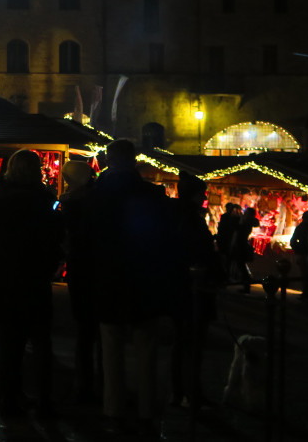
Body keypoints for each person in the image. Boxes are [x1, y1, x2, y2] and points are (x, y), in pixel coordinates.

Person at [85, 139, 183, 435]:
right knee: (146, 349)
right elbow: (165, 238)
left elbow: (87, 239)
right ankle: (146, 410)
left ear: (109, 161)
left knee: (111, 346)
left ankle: (113, 410)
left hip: (108, 278)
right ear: (134, 160)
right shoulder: (151, 194)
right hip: (143, 278)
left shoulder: (96, 195)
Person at [0, 149, 62, 417]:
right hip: (34, 277)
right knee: (40, 341)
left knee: (7, 340)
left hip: (4, 277)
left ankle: (6, 393)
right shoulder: (45, 200)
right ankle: (43, 396)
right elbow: (56, 236)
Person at [169, 171, 222, 411]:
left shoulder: (180, 216)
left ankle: (182, 389)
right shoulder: (190, 220)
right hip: (192, 289)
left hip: (182, 288)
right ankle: (188, 391)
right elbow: (201, 253)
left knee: (183, 342)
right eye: (202, 192)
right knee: (191, 343)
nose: (205, 196)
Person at [58, 158, 98, 404]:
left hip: (81, 267)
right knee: (92, 328)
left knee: (85, 327)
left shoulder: (73, 204)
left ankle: (83, 381)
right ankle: (91, 378)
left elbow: (67, 235)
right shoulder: (96, 200)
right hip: (94, 266)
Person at [289, 211, 308, 288]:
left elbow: (293, 241)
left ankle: (306, 291)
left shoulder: (300, 227)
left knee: (305, 273)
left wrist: (297, 250)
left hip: (304, 253)